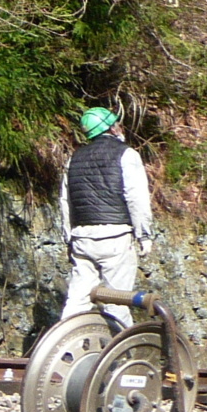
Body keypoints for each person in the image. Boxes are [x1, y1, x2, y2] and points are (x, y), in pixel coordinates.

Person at [59, 106, 153, 327]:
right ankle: (122, 357)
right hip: (115, 238)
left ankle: (62, 351)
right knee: (116, 304)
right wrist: (144, 235)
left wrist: (68, 237)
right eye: (117, 123)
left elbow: (66, 200)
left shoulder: (75, 158)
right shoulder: (126, 154)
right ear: (112, 127)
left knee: (76, 303)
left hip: (82, 238)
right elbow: (136, 198)